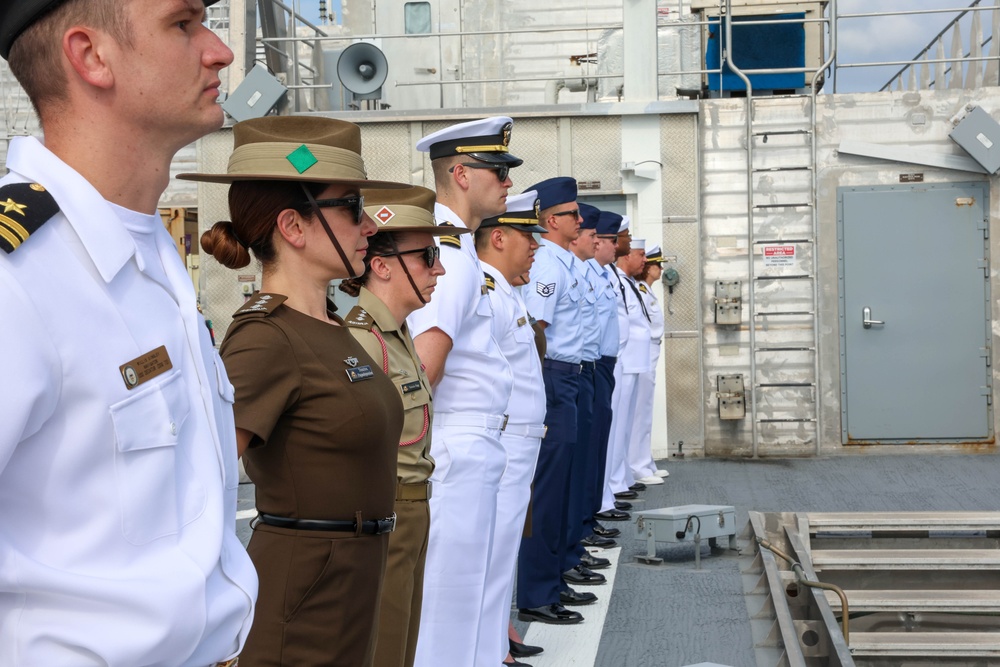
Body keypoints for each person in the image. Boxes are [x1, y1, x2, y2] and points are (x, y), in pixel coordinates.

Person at [0, 1, 257, 664]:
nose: (219, 51)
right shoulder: (17, 276)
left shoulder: (150, 249)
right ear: (92, 57)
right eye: (183, 24)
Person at [188, 116, 409, 666]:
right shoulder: (266, 338)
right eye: (352, 208)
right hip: (305, 592)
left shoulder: (333, 325)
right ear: (293, 226)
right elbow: (196, 485)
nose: (367, 228)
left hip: (353, 577)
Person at [408, 117, 519, 667]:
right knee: (447, 610)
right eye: (497, 171)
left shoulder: (459, 250)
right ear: (460, 173)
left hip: (472, 443)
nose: (508, 183)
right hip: (455, 444)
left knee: (471, 599)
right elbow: (425, 368)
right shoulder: (446, 255)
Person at [338, 186, 459, 667]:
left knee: (402, 647)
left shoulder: (398, 334)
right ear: (383, 266)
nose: (440, 269)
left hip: (411, 511)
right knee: (383, 650)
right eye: (428, 256)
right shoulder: (362, 340)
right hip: (385, 515)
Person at [518, 176, 601, 627]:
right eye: (573, 213)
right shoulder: (548, 264)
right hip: (554, 378)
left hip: (570, 376)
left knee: (564, 484)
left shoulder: (562, 262)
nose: (581, 219)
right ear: (552, 220)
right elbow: (538, 330)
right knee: (549, 490)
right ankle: (537, 590)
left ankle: (554, 575)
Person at [474, 191, 549, 666]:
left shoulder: (507, 290)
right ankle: (485, 649)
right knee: (487, 558)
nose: (536, 246)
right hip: (501, 440)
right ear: (498, 237)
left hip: (520, 442)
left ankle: (496, 642)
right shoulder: (484, 290)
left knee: (501, 558)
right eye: (528, 236)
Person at [580, 210, 625, 551]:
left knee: (594, 450)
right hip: (584, 367)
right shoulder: (583, 273)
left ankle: (589, 518)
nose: (608, 245)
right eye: (608, 239)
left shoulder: (601, 275)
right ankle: (581, 527)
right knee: (584, 453)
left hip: (601, 366)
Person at [628, 244, 670, 483]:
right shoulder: (639, 291)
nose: (660, 269)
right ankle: (638, 467)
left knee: (644, 411)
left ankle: (645, 461)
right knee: (638, 412)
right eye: (657, 264)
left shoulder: (646, 290)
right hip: (641, 352)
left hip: (650, 352)